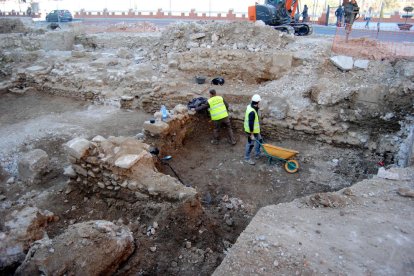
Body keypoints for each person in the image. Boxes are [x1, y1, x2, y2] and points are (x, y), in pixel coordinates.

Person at [244, 94, 263, 165]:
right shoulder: (252, 112)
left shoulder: (250, 106)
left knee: (260, 140)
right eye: (259, 102)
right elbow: (250, 124)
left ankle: (257, 154)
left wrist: (258, 108)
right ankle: (247, 158)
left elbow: (255, 108)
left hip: (256, 131)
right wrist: (251, 135)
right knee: (250, 144)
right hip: (251, 131)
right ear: (257, 102)